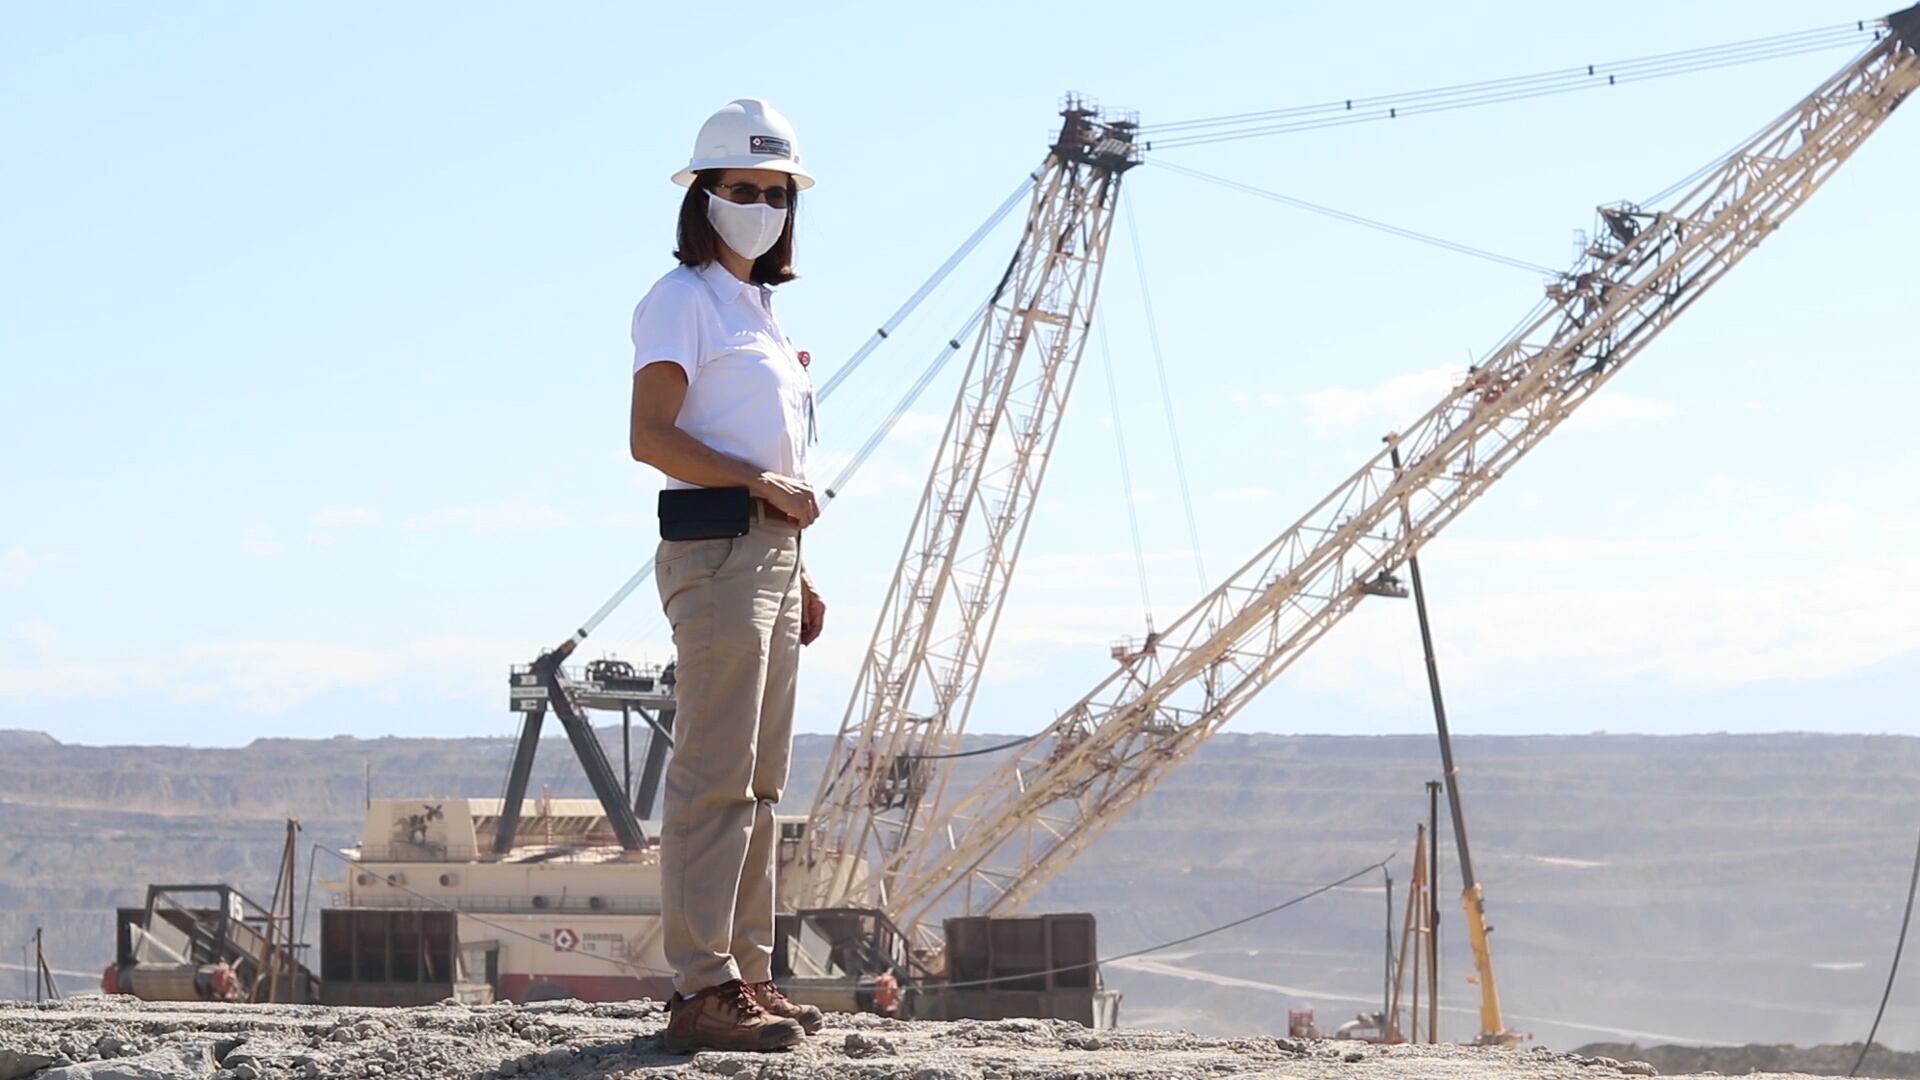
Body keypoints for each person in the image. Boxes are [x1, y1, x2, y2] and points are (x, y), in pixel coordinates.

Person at [627, 98, 829, 1054]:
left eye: (774, 192)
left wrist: (801, 570)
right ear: (702, 197)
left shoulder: (759, 310)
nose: (759, 205)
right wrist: (759, 488)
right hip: (717, 550)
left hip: (771, 556)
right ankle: (701, 985)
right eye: (741, 189)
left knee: (761, 780)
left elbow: (777, 454)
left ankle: (746, 972)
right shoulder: (681, 301)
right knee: (714, 773)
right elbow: (651, 437)